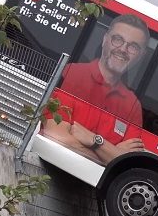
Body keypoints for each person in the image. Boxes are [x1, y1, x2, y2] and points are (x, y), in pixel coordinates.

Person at [41, 14, 150, 165]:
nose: (123, 49)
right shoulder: (72, 74)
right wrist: (111, 154)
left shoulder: (133, 105)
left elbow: (127, 164)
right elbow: (55, 136)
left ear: (141, 56)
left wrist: (94, 140)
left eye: (133, 47)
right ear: (105, 39)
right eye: (117, 39)